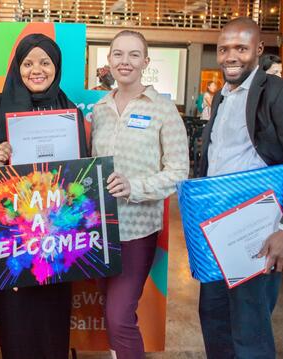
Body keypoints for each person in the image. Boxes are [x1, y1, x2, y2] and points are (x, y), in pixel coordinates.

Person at [197, 18, 283, 358]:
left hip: (258, 229)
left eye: (241, 48)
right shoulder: (222, 97)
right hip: (216, 227)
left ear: (258, 50)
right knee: (214, 318)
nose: (231, 56)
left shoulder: (282, 93)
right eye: (224, 48)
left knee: (249, 328)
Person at [0, 33, 89, 359]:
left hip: (56, 235)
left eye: (45, 62)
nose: (36, 70)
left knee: (53, 317)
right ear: (17, 66)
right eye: (28, 63)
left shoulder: (69, 110)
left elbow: (79, 178)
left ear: (57, 67)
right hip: (12, 237)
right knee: (15, 319)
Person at [90, 30, 189, 359]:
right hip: (99, 230)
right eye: (118, 54)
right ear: (109, 61)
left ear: (146, 62)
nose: (125, 61)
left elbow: (178, 172)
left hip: (136, 230)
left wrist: (136, 187)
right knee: (112, 316)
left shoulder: (163, 110)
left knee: (118, 318)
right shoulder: (100, 109)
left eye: (134, 55)